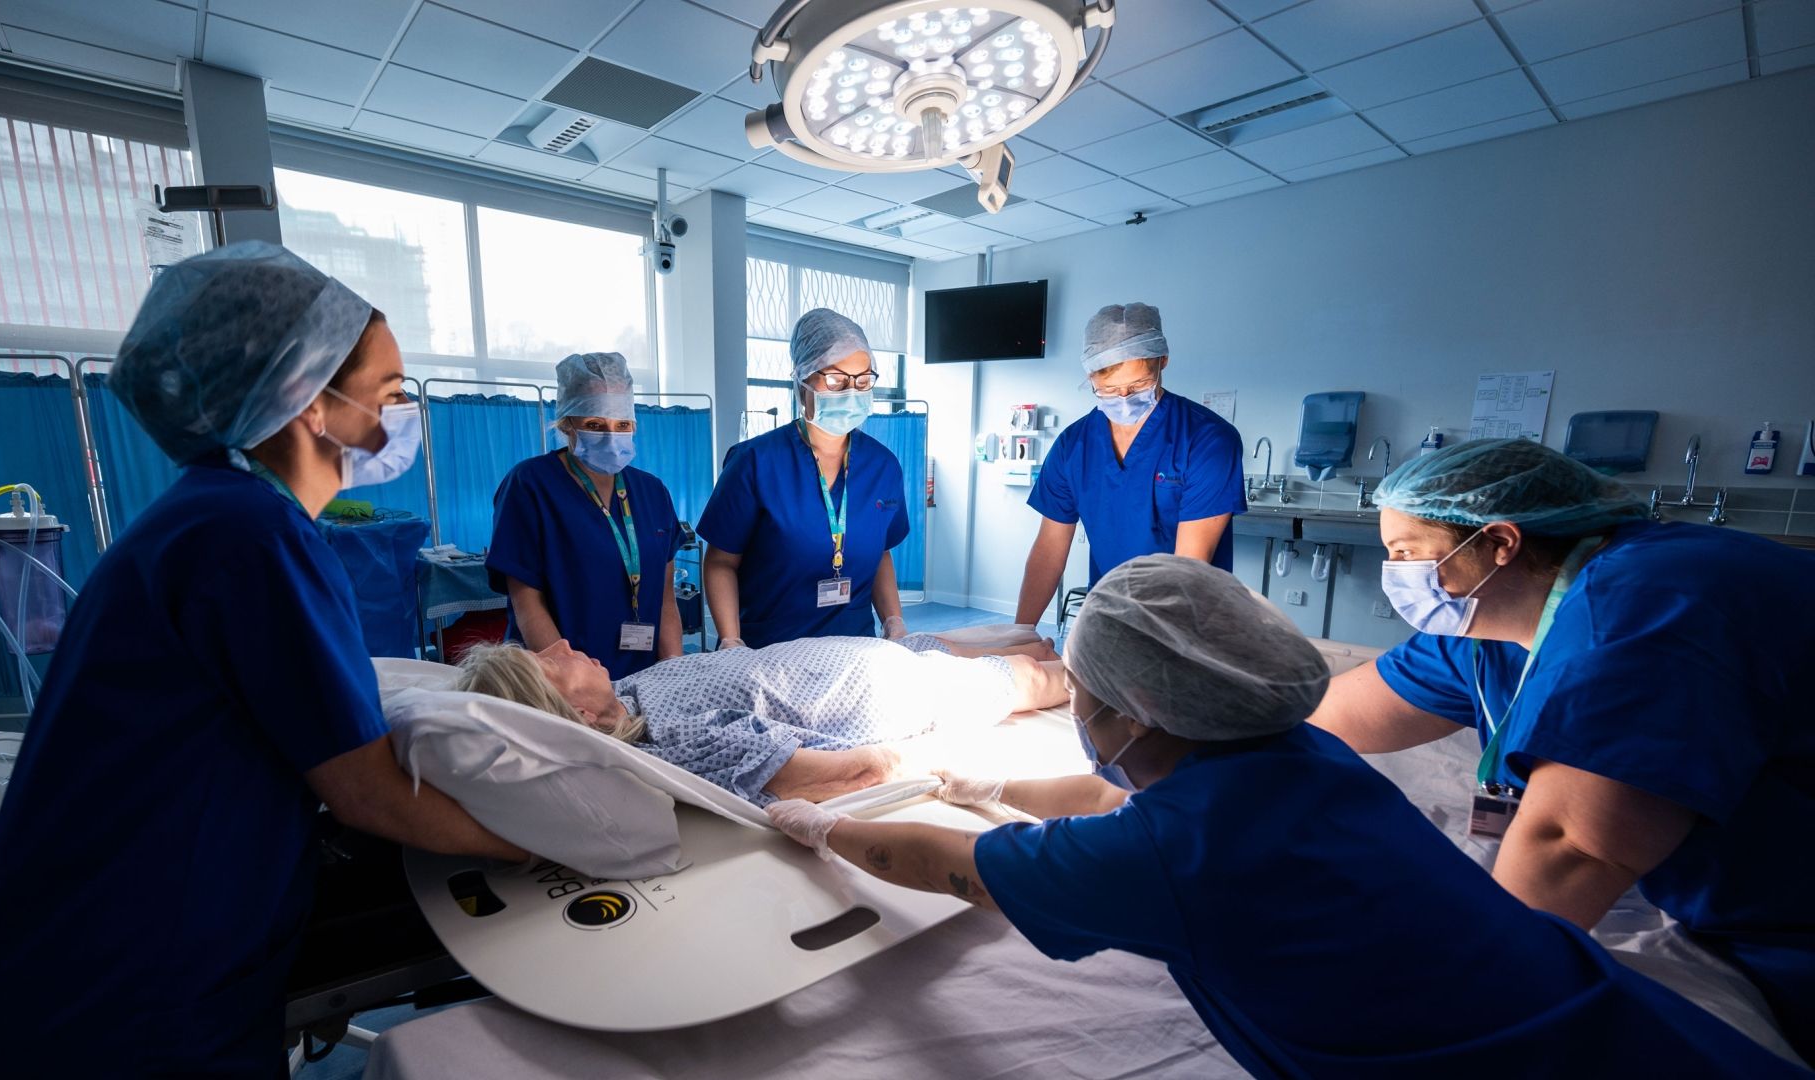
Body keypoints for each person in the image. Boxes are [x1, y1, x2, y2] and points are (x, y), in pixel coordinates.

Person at [763, 555, 1804, 1077]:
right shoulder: (1299, 756)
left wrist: (819, 830)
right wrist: (986, 784)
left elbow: (947, 866)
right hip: (1602, 1019)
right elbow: (1105, 795)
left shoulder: (1169, 854)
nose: (1070, 708)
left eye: (1078, 693)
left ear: (1144, 708)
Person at [0, 243, 526, 1078]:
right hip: (132, 980)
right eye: (390, 394)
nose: (401, 416)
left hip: (98, 945)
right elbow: (366, 793)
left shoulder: (209, 518)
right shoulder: (252, 537)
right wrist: (536, 841)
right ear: (310, 403)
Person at [1307, 437, 1815, 1057]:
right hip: (1727, 910)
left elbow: (1574, 846)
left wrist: (1441, 1010)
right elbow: (1333, 715)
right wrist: (1192, 735)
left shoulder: (1646, 607)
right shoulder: (1488, 620)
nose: (1396, 575)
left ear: (1499, 543)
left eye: (1405, 552)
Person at [450, 633, 1065, 805]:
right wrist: (931, 755)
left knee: (1028, 643)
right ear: (575, 712)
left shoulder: (626, 690)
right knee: (1053, 678)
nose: (559, 646)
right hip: (906, 694)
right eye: (547, 662)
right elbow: (850, 774)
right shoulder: (671, 742)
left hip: (871, 654)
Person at [1013, 302, 1245, 629]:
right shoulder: (1072, 446)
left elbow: (1188, 566)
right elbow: (1049, 548)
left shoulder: (1207, 440)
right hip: (1108, 617)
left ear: (1163, 361)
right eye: (1108, 390)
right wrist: (1021, 633)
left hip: (1188, 623)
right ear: (1089, 376)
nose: (1123, 399)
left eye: (1137, 386)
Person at [700, 308, 910, 648]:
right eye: (836, 380)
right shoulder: (754, 462)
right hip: (769, 652)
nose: (852, 392)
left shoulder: (882, 465)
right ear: (801, 382)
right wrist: (730, 639)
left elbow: (881, 553)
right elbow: (721, 561)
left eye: (863, 380)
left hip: (854, 649)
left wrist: (894, 621)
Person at [487, 351, 682, 679]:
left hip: (641, 677)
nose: (611, 436)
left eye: (622, 425)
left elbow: (664, 597)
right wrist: (570, 681)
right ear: (567, 423)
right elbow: (527, 602)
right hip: (556, 680)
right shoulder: (530, 486)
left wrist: (673, 673)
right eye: (594, 425)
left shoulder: (652, 492)